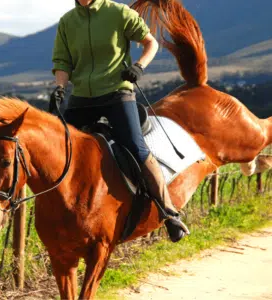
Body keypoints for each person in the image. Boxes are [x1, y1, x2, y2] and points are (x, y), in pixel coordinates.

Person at [49, 0, 189, 242]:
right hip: (82, 97)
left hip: (117, 93)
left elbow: (150, 43)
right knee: (56, 146)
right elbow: (62, 62)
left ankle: (170, 213)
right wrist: (60, 89)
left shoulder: (119, 13)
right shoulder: (67, 22)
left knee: (136, 147)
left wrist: (139, 67)